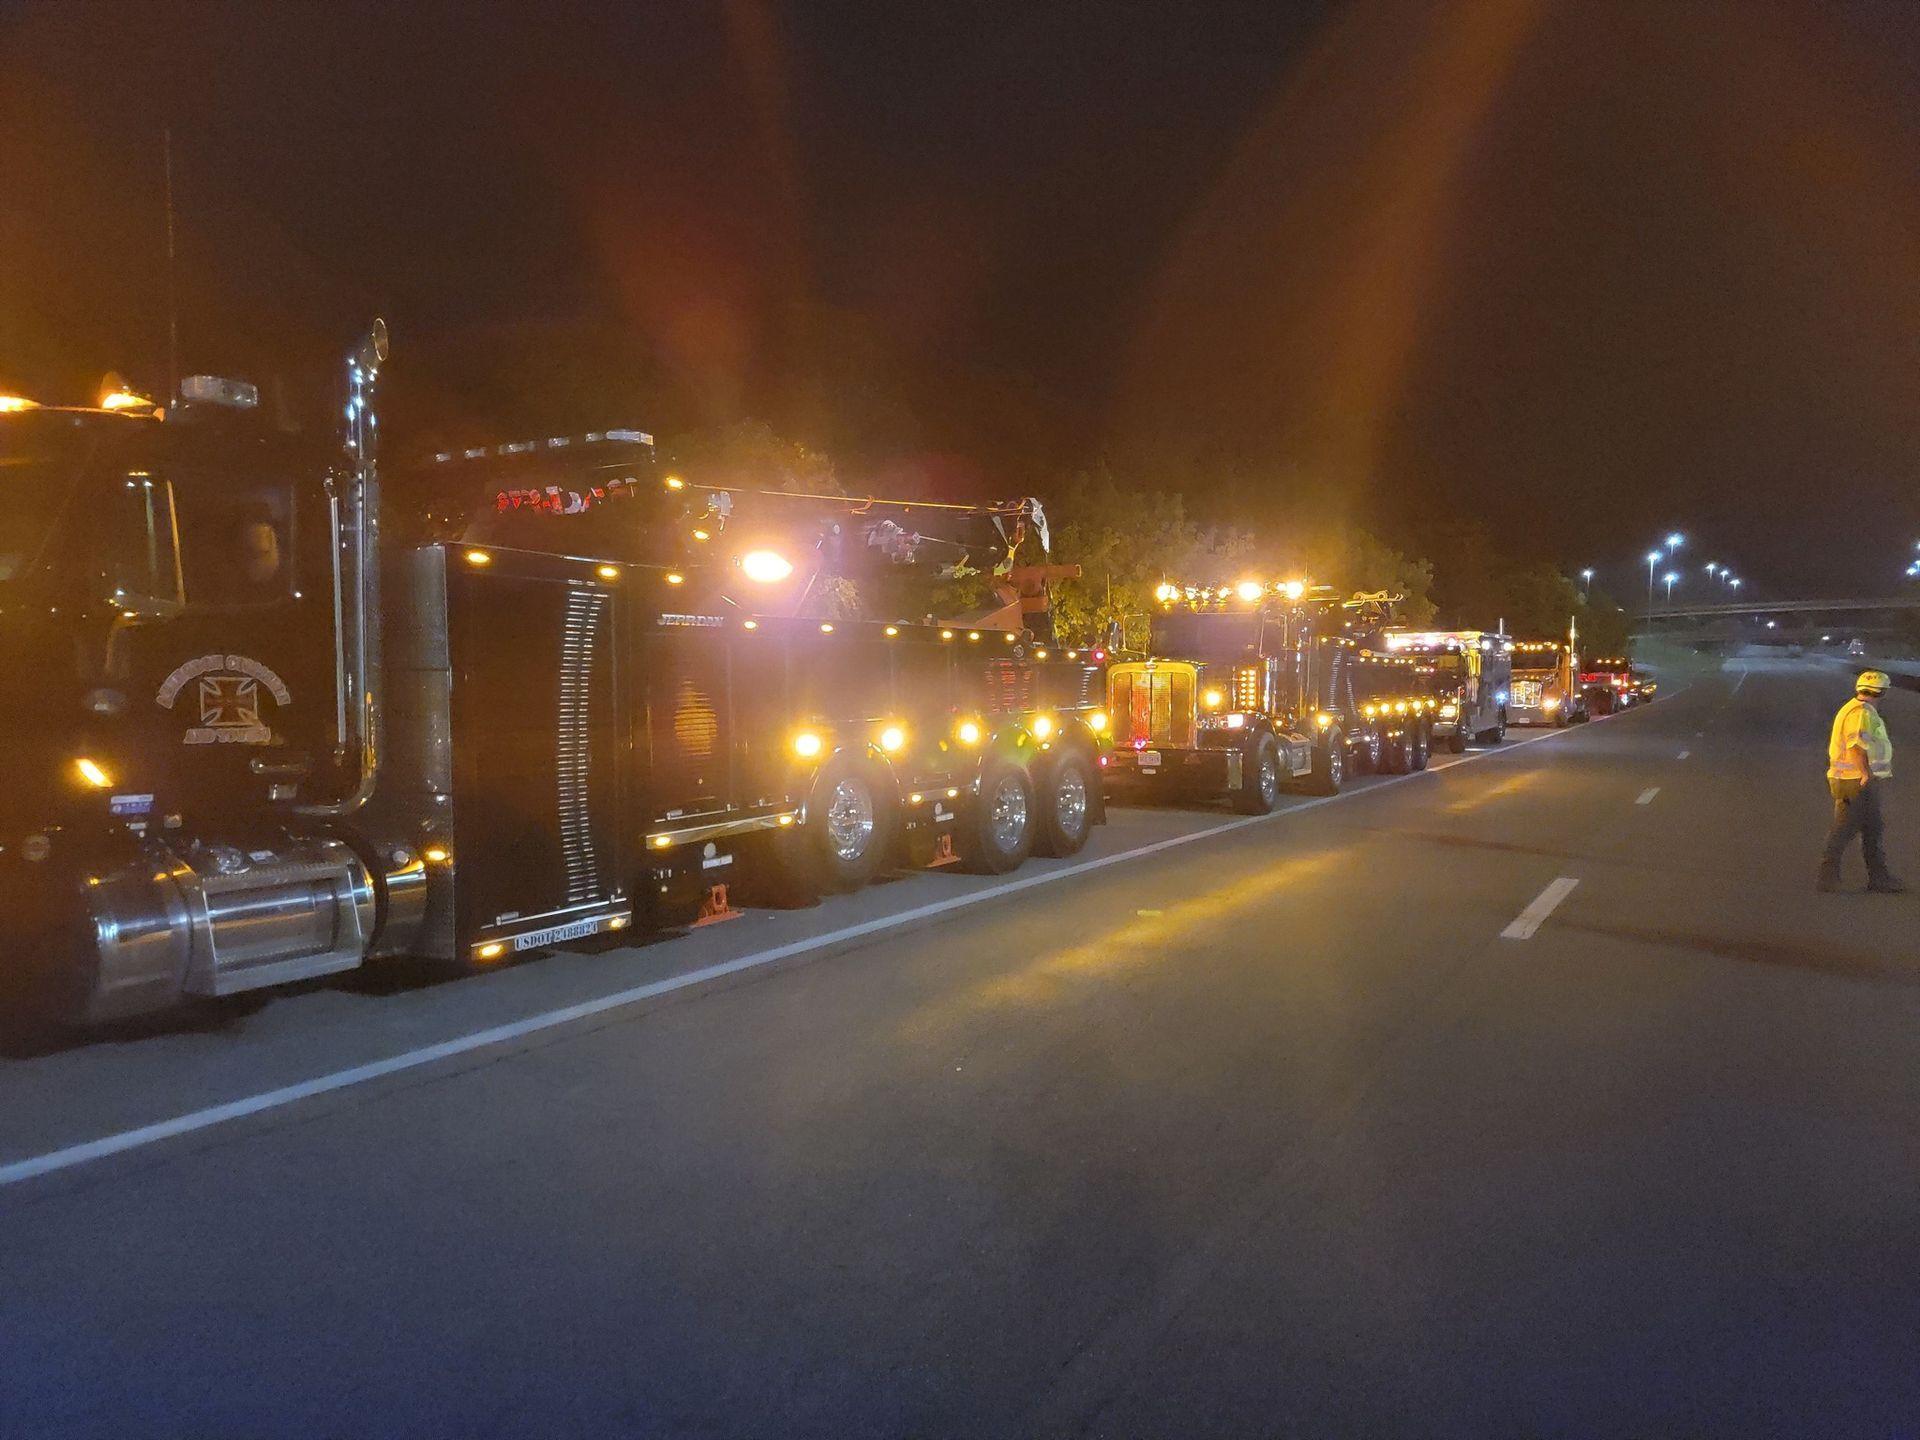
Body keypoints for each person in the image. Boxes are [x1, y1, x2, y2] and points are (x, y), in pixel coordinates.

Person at [1817, 670, 1903, 893]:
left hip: (1859, 781)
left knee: (1873, 830)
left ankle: (1879, 878)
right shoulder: (1861, 713)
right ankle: (1827, 878)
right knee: (1843, 830)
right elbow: (1856, 746)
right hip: (1855, 781)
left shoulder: (1858, 709)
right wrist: (1865, 774)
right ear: (1883, 692)